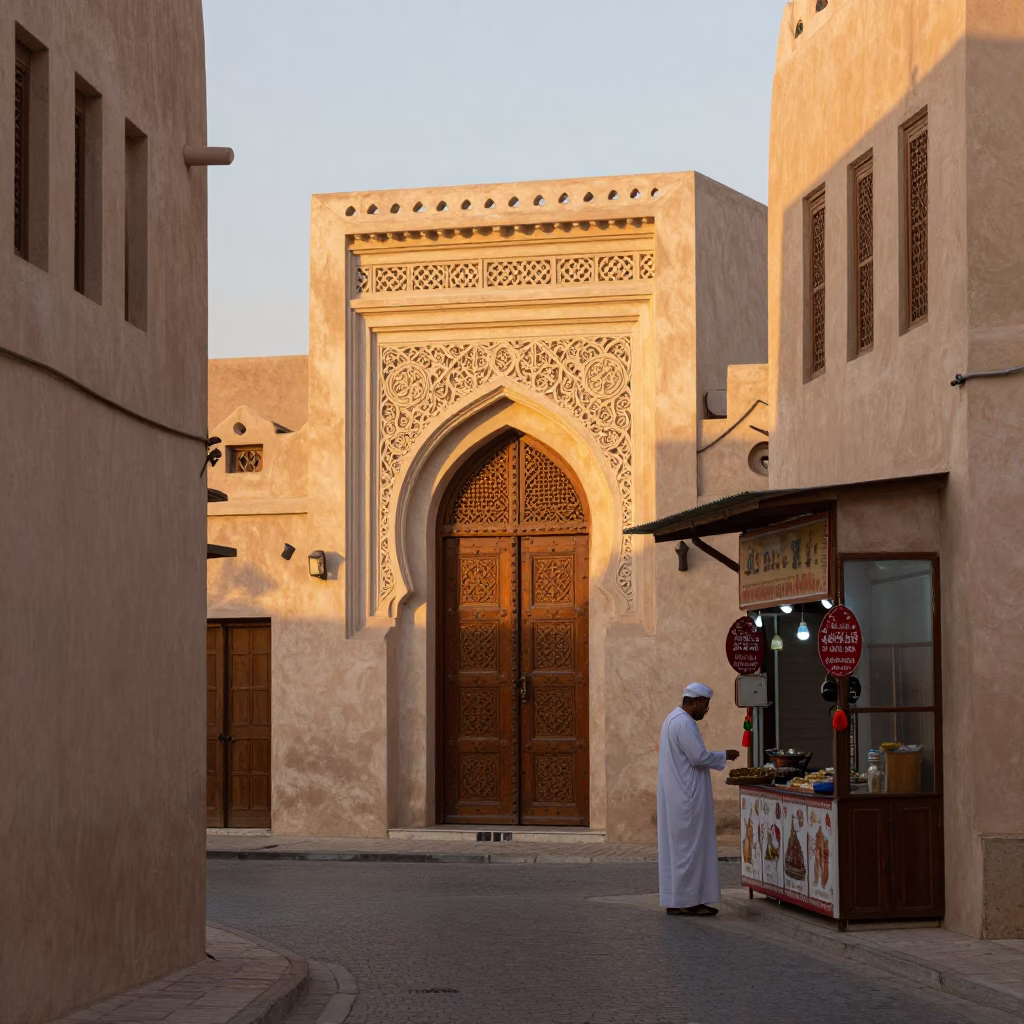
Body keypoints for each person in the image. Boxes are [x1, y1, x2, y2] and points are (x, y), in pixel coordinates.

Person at [657, 682, 740, 916]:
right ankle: (689, 901)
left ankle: (677, 899)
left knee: (680, 852)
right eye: (706, 705)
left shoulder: (672, 719)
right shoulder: (684, 723)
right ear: (694, 702)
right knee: (690, 852)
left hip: (679, 797)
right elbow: (698, 757)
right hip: (687, 799)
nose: (706, 710)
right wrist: (725, 755)